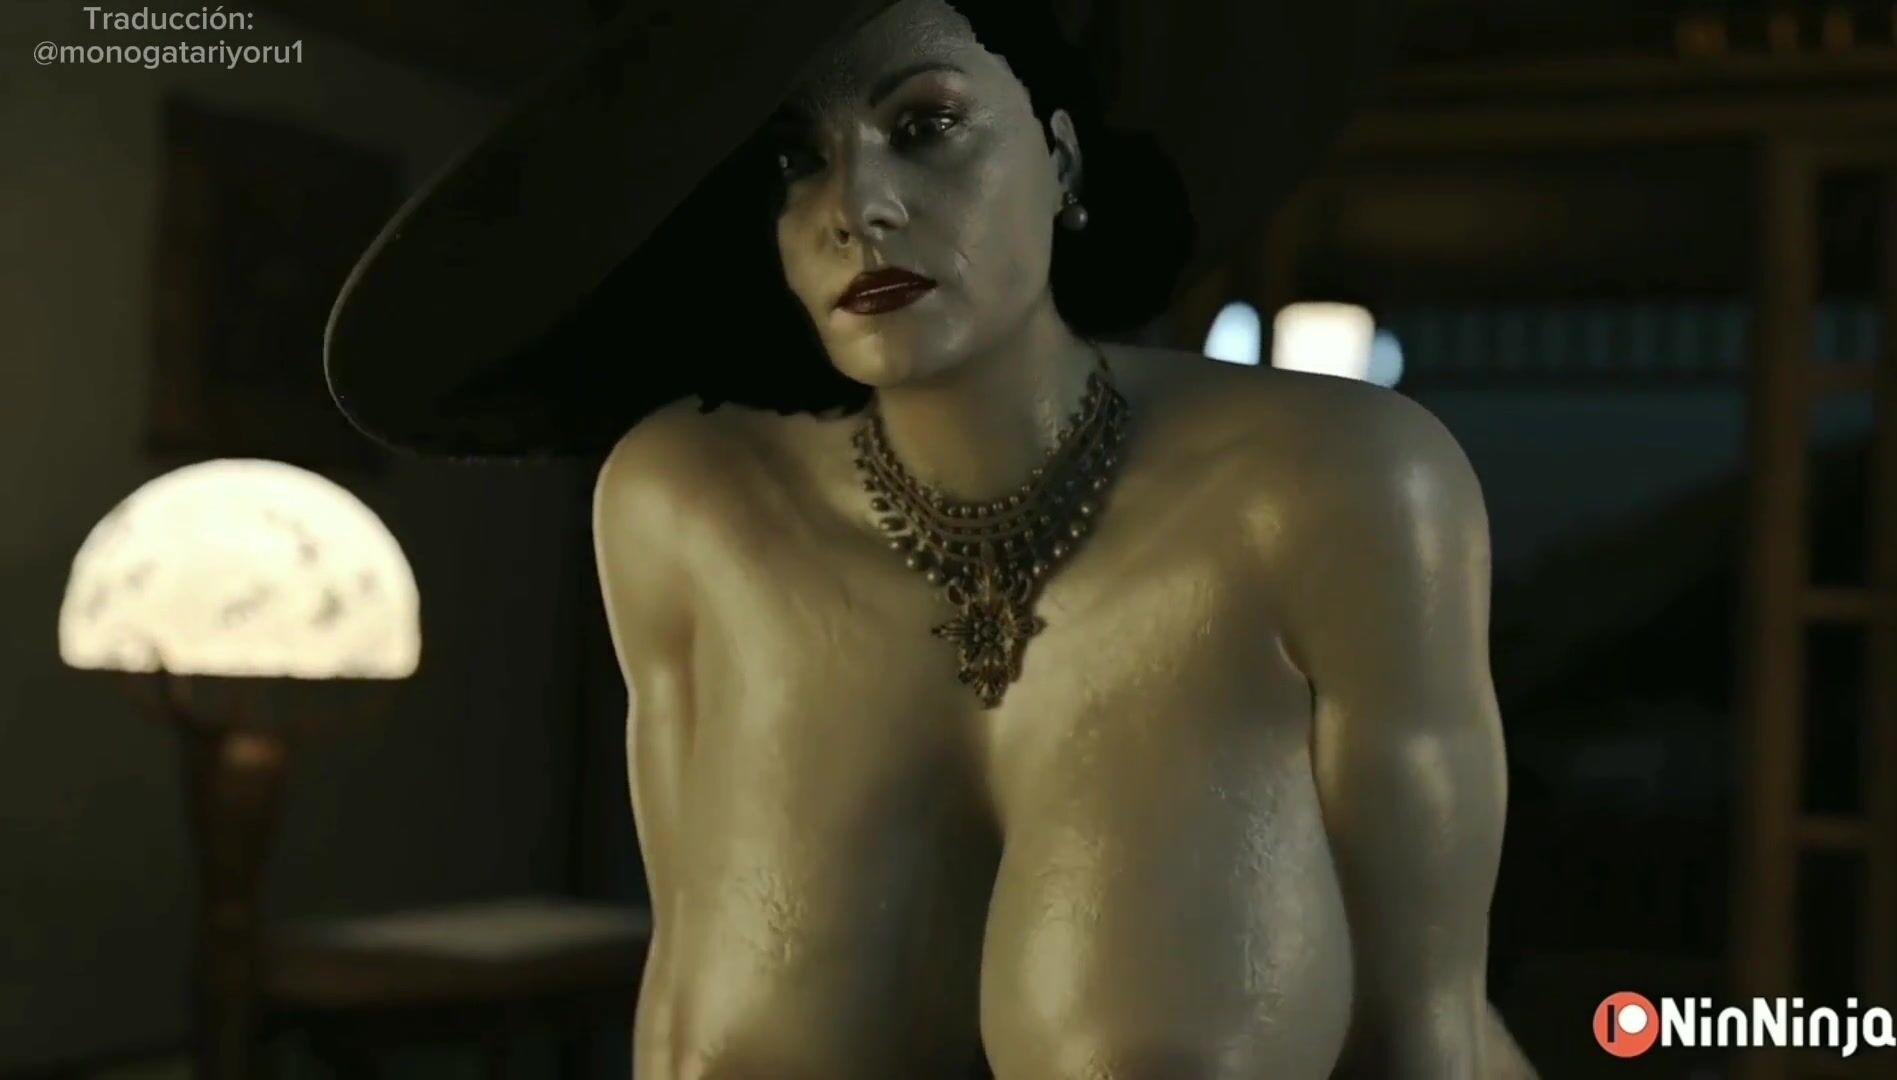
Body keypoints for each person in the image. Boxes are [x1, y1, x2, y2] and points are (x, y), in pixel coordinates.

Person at [326, 1, 1535, 1076]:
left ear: (1060, 159)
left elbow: (1429, 1033)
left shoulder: (1339, 483)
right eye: (794, 160)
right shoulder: (686, 507)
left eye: (926, 125)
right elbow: (677, 1027)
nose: (859, 206)